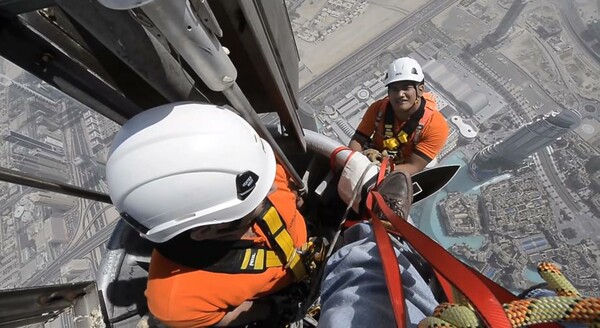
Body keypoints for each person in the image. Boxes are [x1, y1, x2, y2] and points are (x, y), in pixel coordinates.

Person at [105, 102, 308, 327]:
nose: (273, 189)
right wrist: (270, 310)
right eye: (253, 204)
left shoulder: (256, 168)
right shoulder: (176, 301)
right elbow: (222, 318)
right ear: (204, 231)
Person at [349, 57, 449, 175]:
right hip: (373, 156)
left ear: (420, 90)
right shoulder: (378, 109)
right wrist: (357, 161)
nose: (400, 94)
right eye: (394, 89)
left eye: (406, 88)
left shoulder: (436, 126)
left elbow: (414, 166)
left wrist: (382, 170)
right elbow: (358, 140)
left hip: (402, 169)